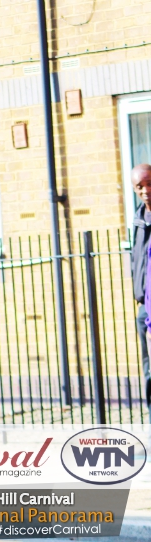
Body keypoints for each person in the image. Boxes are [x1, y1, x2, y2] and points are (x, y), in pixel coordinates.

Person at [132, 164, 151, 408]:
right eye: (140, 186)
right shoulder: (139, 219)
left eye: (150, 184)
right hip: (144, 307)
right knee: (149, 369)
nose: (146, 190)